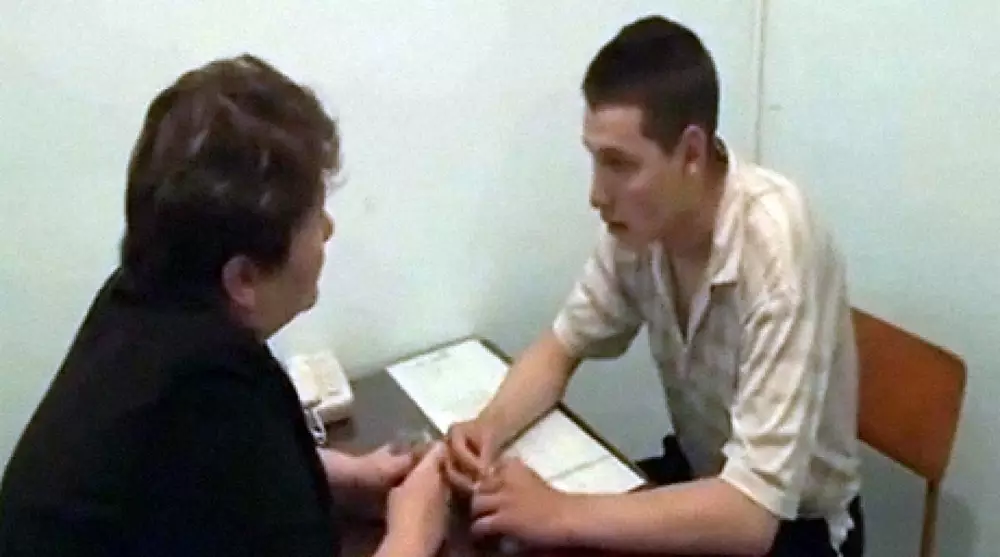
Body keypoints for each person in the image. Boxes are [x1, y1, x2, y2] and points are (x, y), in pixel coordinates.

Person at [445, 16, 864, 557]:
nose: (597, 194)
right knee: (510, 534)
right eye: (595, 159)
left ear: (690, 153)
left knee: (554, 529)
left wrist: (560, 512)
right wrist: (489, 426)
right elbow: (561, 346)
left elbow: (751, 516)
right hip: (702, 478)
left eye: (619, 164)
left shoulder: (778, 243)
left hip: (794, 526)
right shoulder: (642, 226)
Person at [0, 55, 449, 557]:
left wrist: (347, 476)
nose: (328, 229)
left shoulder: (142, 303)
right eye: (313, 217)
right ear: (244, 279)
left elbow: (203, 478)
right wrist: (415, 529)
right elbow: (221, 454)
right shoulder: (210, 395)